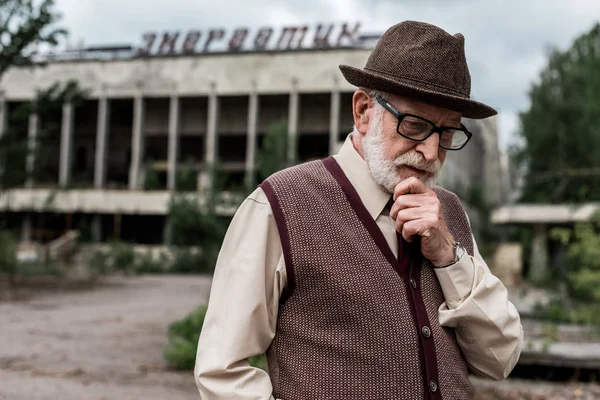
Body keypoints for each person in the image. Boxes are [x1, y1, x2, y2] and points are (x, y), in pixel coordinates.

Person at [194, 20, 523, 400]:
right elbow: (221, 371)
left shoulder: (449, 213)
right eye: (415, 125)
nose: (432, 153)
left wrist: (449, 258)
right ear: (365, 111)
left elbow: (500, 358)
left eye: (447, 134)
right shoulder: (280, 204)